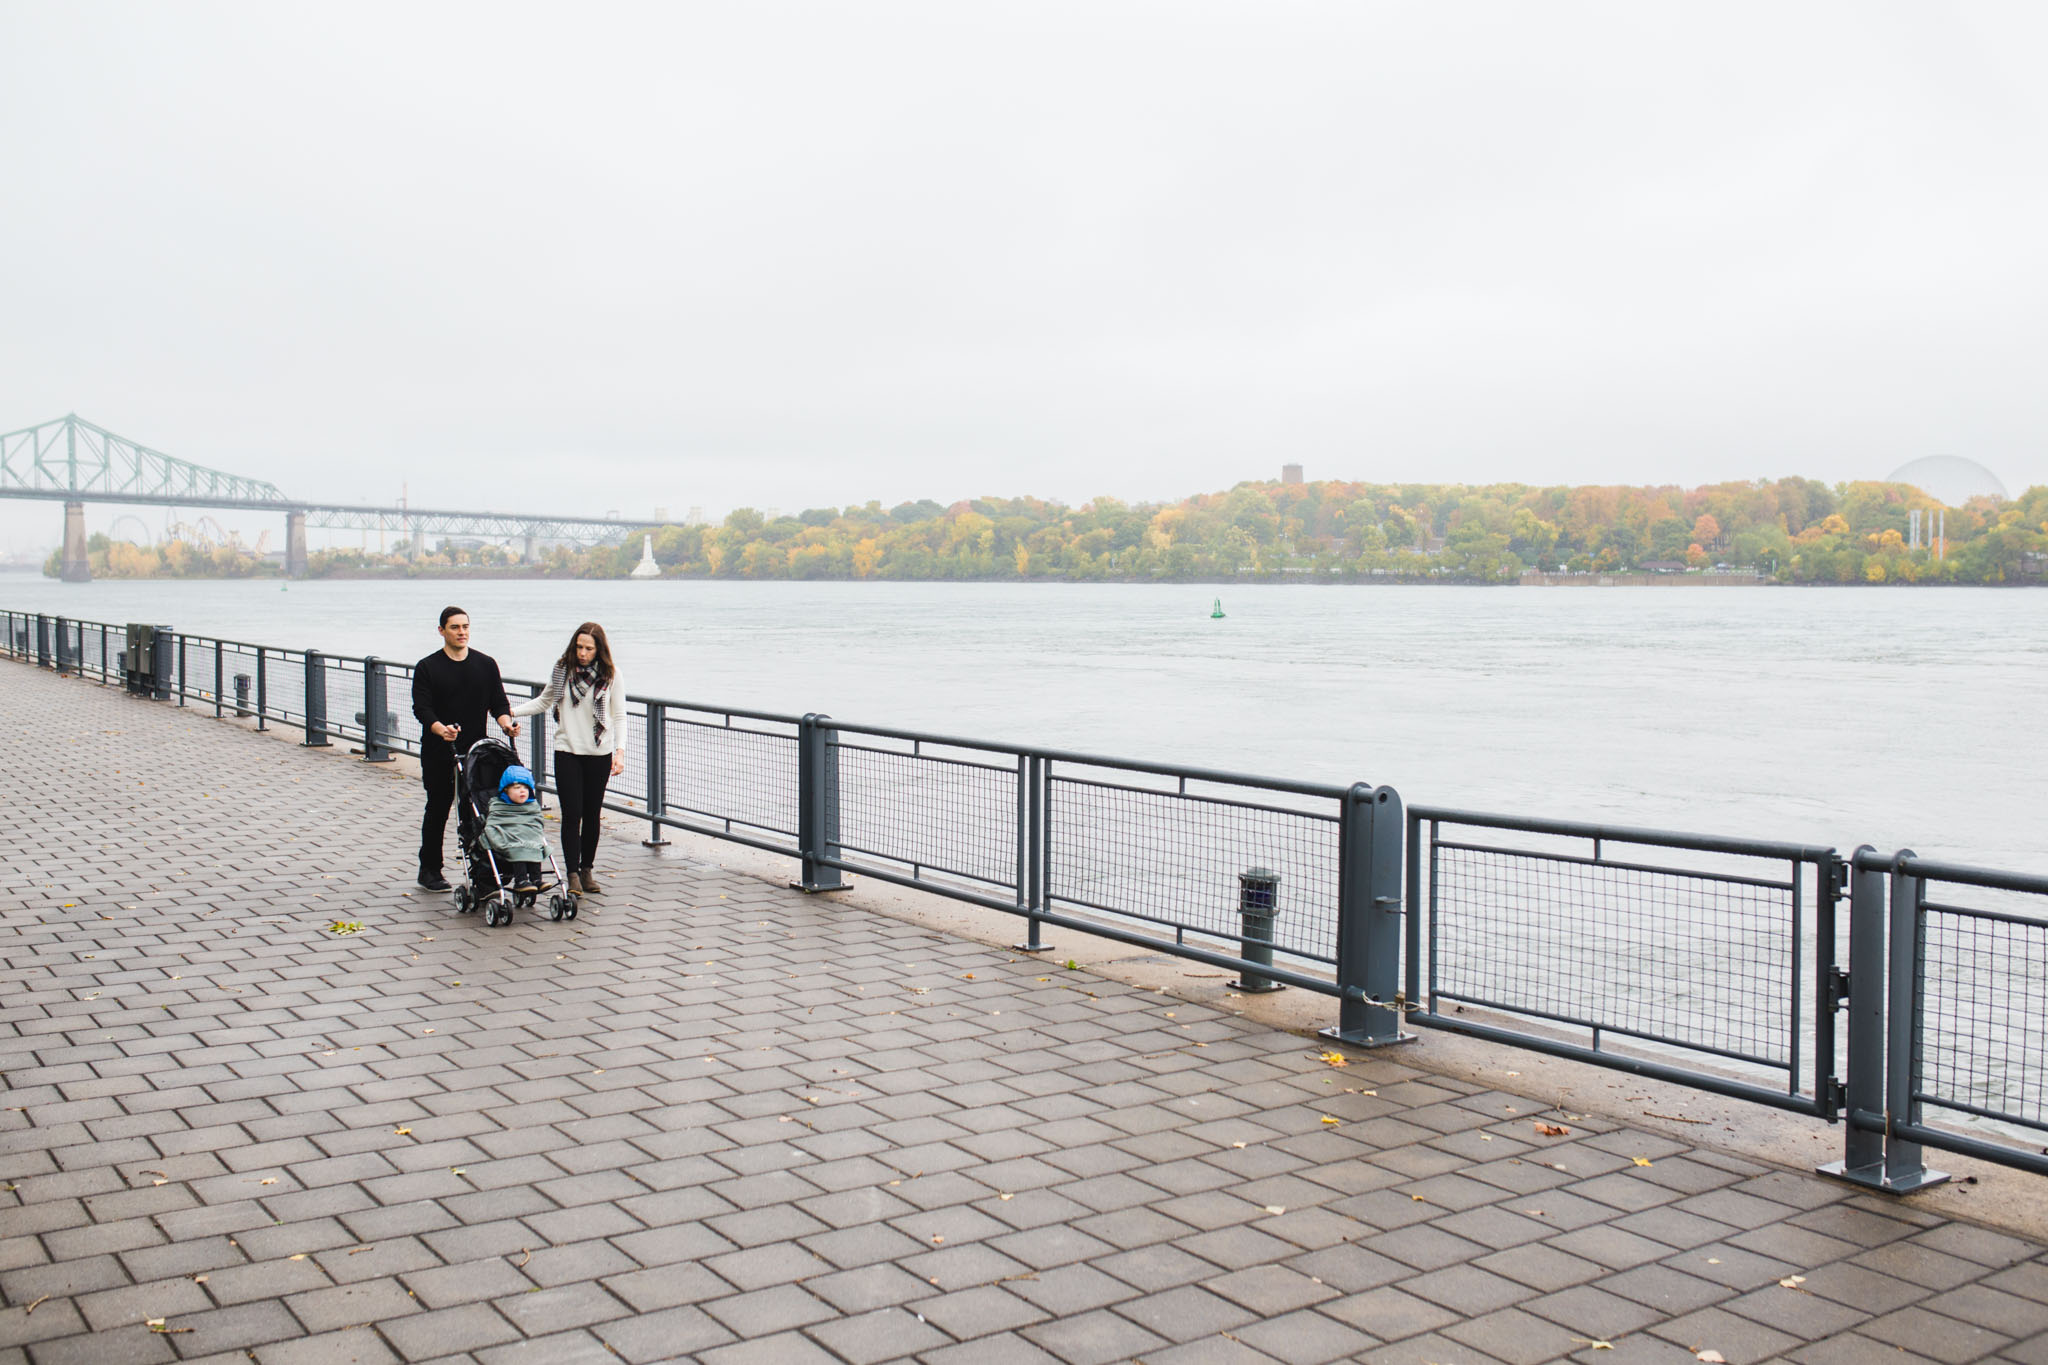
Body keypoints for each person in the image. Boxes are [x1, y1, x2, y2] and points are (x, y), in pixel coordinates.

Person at [511, 621, 626, 894]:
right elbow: (544, 701)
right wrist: (511, 712)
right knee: (572, 814)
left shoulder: (611, 675)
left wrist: (619, 751)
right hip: (567, 752)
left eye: (589, 648)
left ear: (599, 650)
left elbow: (619, 715)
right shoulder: (563, 670)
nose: (583, 653)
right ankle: (572, 873)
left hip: (599, 753)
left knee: (592, 815)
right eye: (579, 647)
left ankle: (587, 871)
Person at [412, 605, 519, 890]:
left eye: (465, 627)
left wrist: (507, 723)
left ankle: (484, 871)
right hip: (439, 751)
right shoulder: (427, 667)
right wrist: (440, 730)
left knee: (478, 810)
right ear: (441, 631)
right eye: (455, 627)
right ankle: (430, 869)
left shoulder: (485, 664)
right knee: (438, 808)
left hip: (477, 754)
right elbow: (422, 709)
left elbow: (498, 702)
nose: (462, 632)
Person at [483, 766, 546, 893]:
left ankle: (536, 879)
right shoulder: (498, 806)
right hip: (508, 837)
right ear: (506, 790)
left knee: (536, 845)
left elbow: (537, 822)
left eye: (525, 788)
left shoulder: (531, 806)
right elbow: (493, 824)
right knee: (519, 848)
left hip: (527, 836)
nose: (522, 791)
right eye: (517, 788)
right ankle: (521, 880)